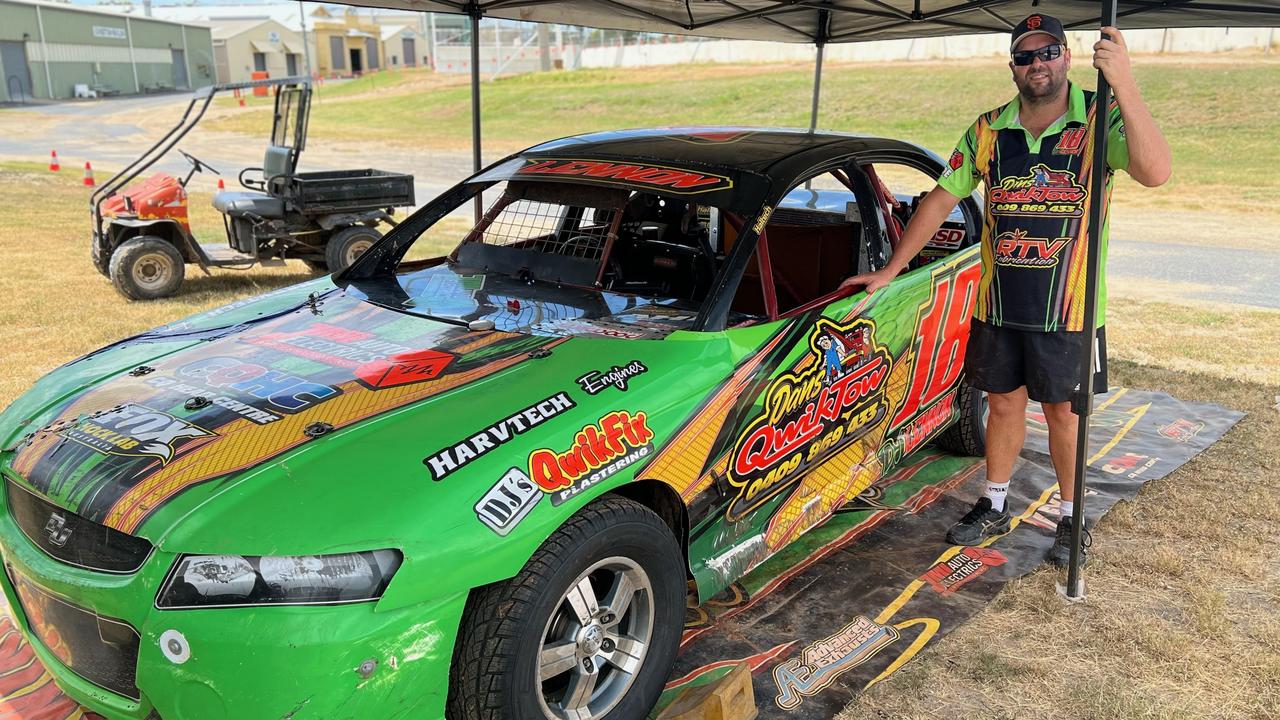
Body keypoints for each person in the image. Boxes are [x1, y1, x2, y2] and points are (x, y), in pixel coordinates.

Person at [841, 14, 1170, 566]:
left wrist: (1126, 82)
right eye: (1025, 56)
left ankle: (1070, 517)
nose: (1037, 64)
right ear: (1012, 66)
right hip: (999, 302)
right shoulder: (988, 129)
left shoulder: (1099, 115)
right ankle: (994, 504)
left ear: (1067, 56)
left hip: (1070, 306)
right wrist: (893, 268)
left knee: (1065, 414)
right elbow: (943, 197)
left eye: (1048, 52)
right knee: (1002, 402)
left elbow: (1155, 171)